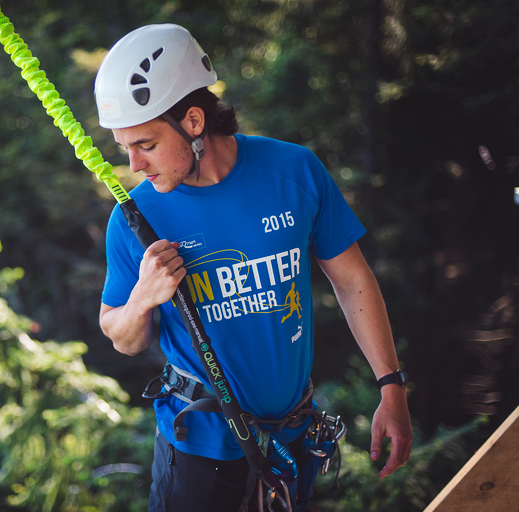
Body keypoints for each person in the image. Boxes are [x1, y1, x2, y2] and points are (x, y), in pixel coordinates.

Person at [94, 23, 413, 512]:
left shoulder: (293, 173)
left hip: (293, 440)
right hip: (197, 452)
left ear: (194, 122)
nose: (134, 164)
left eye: (146, 145)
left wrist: (392, 387)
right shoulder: (136, 219)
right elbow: (123, 336)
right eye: (125, 148)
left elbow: (351, 280)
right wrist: (142, 297)